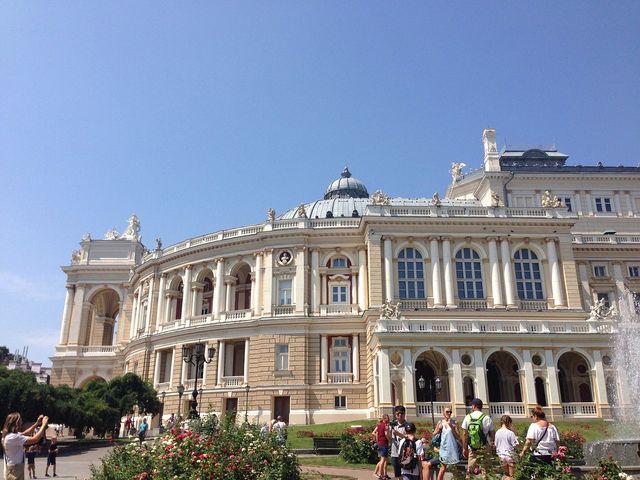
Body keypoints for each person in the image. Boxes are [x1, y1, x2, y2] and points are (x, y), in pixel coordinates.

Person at [2, 412, 49, 480]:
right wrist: (43, 425)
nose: (22, 422)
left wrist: (37, 424)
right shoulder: (13, 437)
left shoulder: (10, 435)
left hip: (14, 468)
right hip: (15, 470)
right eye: (20, 420)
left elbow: (25, 433)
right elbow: (35, 439)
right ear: (16, 423)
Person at [460, 398, 494, 479]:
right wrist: (492, 443)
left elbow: (465, 434)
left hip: (472, 447)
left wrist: (464, 448)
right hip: (485, 446)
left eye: (472, 405)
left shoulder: (468, 417)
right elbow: (492, 434)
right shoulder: (486, 418)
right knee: (485, 469)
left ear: (474, 406)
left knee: (470, 469)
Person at [433, 407, 461, 480]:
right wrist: (439, 429)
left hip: (453, 448)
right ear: (443, 413)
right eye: (447, 412)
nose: (449, 413)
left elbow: (458, 437)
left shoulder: (454, 422)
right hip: (444, 448)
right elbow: (434, 434)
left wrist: (452, 427)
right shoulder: (440, 422)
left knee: (454, 469)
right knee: (443, 468)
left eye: (450, 412)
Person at [495, 415, 518, 480]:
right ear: (509, 422)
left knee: (505, 475)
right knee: (512, 476)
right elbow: (515, 445)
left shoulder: (497, 432)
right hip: (510, 455)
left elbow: (496, 444)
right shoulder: (510, 433)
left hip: (501, 456)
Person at [390, 405, 409, 480]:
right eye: (398, 414)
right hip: (395, 452)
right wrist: (387, 431)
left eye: (402, 413)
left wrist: (398, 434)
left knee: (405, 473)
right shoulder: (393, 425)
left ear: (404, 414)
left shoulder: (408, 425)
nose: (400, 415)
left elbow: (409, 438)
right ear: (395, 414)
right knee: (398, 474)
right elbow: (390, 439)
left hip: (404, 453)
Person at [372, 413, 391, 480]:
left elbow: (376, 433)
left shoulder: (379, 425)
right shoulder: (385, 426)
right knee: (383, 460)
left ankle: (382, 474)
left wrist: (377, 440)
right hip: (384, 443)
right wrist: (390, 440)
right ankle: (380, 474)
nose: (388, 420)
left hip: (380, 443)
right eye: (387, 419)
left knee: (383, 460)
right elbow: (386, 434)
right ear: (385, 419)